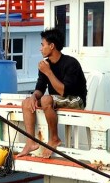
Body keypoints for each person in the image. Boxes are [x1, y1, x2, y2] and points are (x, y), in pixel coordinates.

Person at [18, 28, 87, 158]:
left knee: (45, 100)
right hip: (55, 99)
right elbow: (40, 88)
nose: (40, 49)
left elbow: (63, 91)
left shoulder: (71, 63)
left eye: (42, 45)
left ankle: (54, 138)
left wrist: (48, 71)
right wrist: (33, 96)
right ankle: (30, 142)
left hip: (76, 99)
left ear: (52, 46)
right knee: (27, 102)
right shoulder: (45, 64)